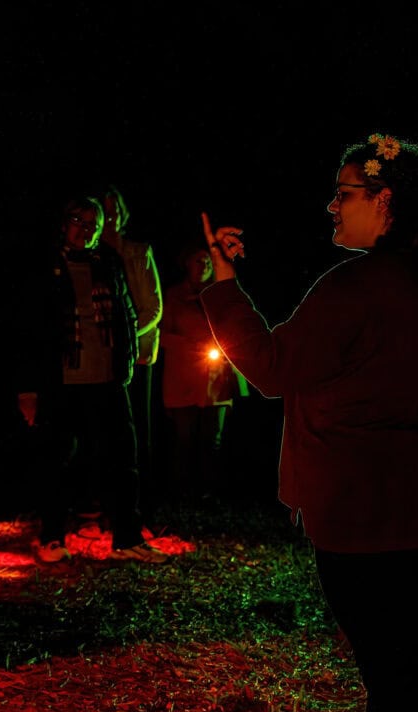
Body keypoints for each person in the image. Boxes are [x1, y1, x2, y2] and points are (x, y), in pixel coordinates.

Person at [199, 133, 418, 712]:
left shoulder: (354, 286)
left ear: (386, 200)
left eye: (344, 193)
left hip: (361, 515)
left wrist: (224, 287)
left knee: (389, 672)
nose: (332, 206)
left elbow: (272, 369)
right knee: (412, 666)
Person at [12, 194, 166, 565]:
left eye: (93, 225)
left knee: (122, 459)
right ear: (64, 222)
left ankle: (128, 536)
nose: (86, 230)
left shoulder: (107, 261)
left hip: (106, 378)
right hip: (61, 381)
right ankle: (51, 536)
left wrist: (126, 362)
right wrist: (28, 388)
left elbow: (127, 311)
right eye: (79, 222)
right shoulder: (44, 265)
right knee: (58, 461)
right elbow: (28, 328)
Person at [97, 184, 165, 523]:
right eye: (104, 211)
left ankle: (144, 505)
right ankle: (106, 504)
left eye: (115, 211)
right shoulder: (91, 255)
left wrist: (124, 338)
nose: (110, 218)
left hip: (136, 356)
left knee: (138, 429)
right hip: (101, 359)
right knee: (105, 432)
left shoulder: (139, 252)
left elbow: (153, 308)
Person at [160, 243, 247, 506]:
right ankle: (182, 493)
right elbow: (161, 334)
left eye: (208, 261)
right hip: (183, 378)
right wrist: (190, 345)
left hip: (215, 379)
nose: (204, 266)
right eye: (199, 261)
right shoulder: (174, 296)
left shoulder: (222, 296)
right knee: (184, 439)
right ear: (186, 264)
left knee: (213, 440)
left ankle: (209, 493)